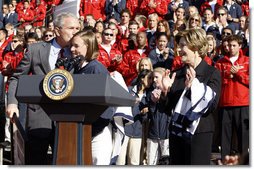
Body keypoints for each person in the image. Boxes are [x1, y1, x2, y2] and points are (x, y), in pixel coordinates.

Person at [6, 12, 80, 165]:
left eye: (78, 28)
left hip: (69, 117)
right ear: (58, 30)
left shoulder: (80, 51)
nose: (76, 31)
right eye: (71, 28)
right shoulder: (35, 50)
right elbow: (17, 77)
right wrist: (12, 103)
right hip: (39, 116)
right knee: (35, 162)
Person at [161, 28, 221, 165]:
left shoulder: (212, 73)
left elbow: (211, 105)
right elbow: (168, 109)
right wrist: (165, 92)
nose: (179, 50)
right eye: (179, 46)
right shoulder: (177, 74)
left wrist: (193, 87)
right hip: (177, 133)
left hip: (199, 134)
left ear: (195, 47)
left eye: (183, 46)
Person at [215, 35, 249, 162]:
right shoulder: (220, 63)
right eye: (229, 45)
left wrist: (238, 74)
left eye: (234, 45)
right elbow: (216, 83)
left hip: (243, 103)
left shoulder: (247, 60)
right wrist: (227, 76)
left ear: (240, 46)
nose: (231, 48)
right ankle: (225, 162)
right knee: (225, 137)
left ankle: (245, 162)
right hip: (226, 103)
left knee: (244, 136)